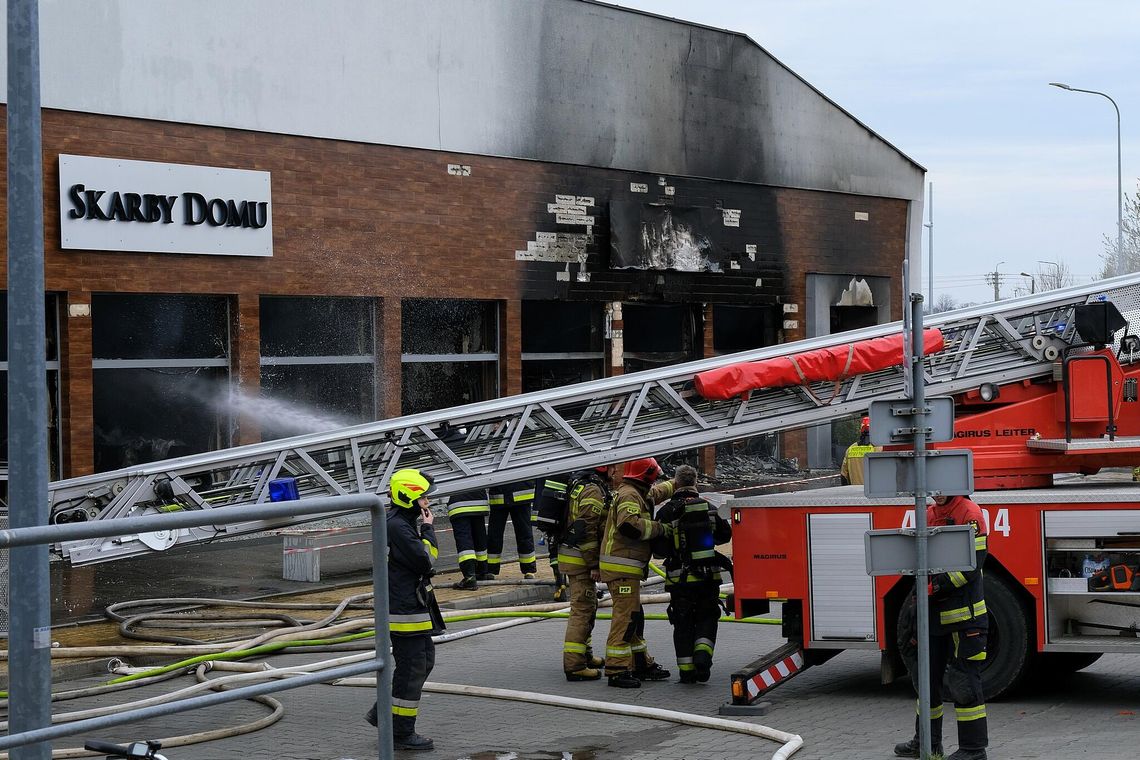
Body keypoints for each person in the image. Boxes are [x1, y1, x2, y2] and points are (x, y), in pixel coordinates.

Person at [895, 492, 989, 760]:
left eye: (941, 486)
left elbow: (973, 565)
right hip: (933, 619)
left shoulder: (970, 514)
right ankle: (926, 742)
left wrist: (935, 586)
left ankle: (973, 749)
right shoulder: (929, 513)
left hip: (964, 619)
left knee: (964, 682)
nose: (936, 493)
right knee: (925, 681)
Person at [365, 468, 445, 751]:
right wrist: (428, 530)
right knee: (413, 667)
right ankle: (400, 732)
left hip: (412, 605)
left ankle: (384, 714)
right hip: (404, 609)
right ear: (409, 497)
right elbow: (425, 561)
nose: (427, 503)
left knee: (423, 661)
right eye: (423, 497)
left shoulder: (400, 521)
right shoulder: (399, 526)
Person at [599, 457, 676, 688]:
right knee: (626, 619)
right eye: (653, 477)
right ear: (646, 476)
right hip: (622, 568)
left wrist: (677, 483)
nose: (655, 482)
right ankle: (617, 669)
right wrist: (661, 529)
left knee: (635, 618)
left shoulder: (637, 491)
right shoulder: (629, 495)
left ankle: (641, 663)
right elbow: (629, 525)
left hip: (627, 569)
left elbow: (656, 493)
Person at [655, 464, 732, 684]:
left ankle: (687, 671)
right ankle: (703, 659)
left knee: (683, 623)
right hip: (708, 578)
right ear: (695, 482)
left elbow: (659, 549)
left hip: (679, 581)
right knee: (707, 617)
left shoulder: (667, 511)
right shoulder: (708, 507)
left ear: (676, 483)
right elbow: (725, 536)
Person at [557, 464, 620, 681]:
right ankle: (574, 666)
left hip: (575, 557)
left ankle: (585, 655)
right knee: (582, 610)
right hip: (580, 560)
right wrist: (594, 564)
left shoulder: (584, 484)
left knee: (588, 606)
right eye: (612, 467)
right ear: (604, 469)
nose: (615, 471)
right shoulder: (593, 490)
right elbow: (587, 529)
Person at [487, 479, 538, 578]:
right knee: (494, 536)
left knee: (524, 534)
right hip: (500, 495)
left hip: (520, 494)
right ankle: (491, 570)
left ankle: (529, 570)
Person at [447, 486, 491, 589]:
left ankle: (470, 577)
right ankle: (482, 572)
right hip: (478, 500)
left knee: (464, 541)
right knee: (480, 537)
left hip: (458, 504)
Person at [840, 416, 877, 486]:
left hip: (855, 494)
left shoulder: (850, 449)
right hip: (874, 494)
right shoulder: (879, 449)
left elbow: (843, 476)